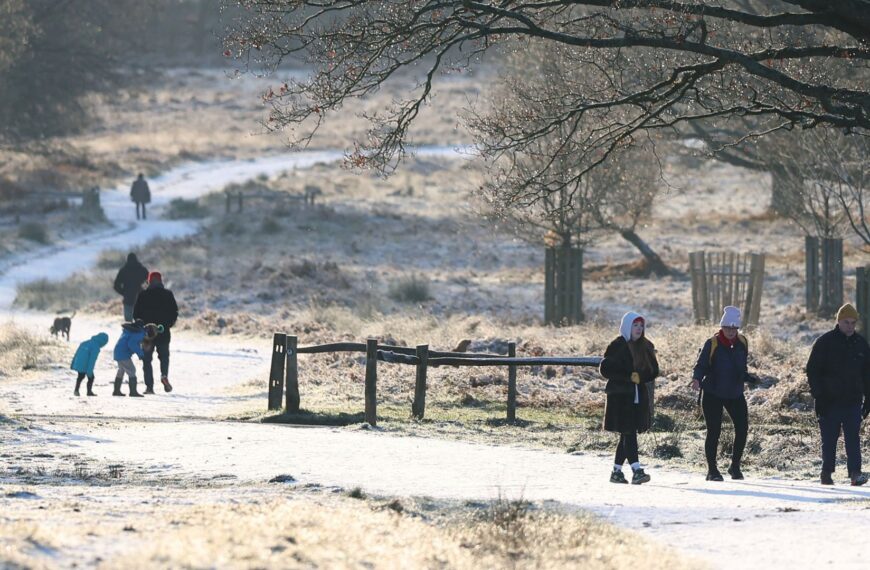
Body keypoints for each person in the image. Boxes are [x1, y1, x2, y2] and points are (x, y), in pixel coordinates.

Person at [806, 303, 870, 486]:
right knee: (829, 439)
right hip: (829, 400)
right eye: (846, 322)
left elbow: (867, 373)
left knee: (853, 438)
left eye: (853, 323)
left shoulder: (861, 344)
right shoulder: (825, 342)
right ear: (839, 322)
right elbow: (812, 370)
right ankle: (826, 473)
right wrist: (819, 396)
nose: (850, 326)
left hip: (853, 400)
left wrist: (868, 398)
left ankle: (855, 474)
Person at [692, 306, 754, 481]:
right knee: (714, 431)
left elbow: (741, 367)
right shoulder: (712, 343)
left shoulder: (742, 342)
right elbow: (701, 365)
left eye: (734, 328)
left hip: (735, 392)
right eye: (727, 328)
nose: (731, 331)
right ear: (722, 327)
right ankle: (712, 470)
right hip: (713, 392)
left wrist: (747, 377)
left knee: (742, 428)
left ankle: (735, 466)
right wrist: (696, 379)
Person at [599, 311, 659, 485]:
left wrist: (641, 377)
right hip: (620, 398)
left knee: (626, 434)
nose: (639, 329)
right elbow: (605, 369)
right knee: (629, 433)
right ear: (627, 326)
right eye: (635, 325)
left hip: (638, 397)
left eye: (641, 325)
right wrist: (627, 377)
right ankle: (636, 470)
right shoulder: (617, 345)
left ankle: (616, 472)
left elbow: (654, 370)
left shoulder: (646, 346)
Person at [133, 271, 178, 394]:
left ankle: (149, 387)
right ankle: (164, 375)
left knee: (147, 360)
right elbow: (174, 312)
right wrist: (168, 325)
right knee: (164, 357)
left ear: (149, 281)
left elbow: (135, 315)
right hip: (163, 331)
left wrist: (141, 326)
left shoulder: (143, 295)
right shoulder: (168, 294)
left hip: (147, 333)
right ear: (161, 281)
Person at [112, 319, 148, 397]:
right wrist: (140, 354)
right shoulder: (138, 333)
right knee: (132, 370)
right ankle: (133, 392)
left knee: (121, 370)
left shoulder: (128, 331)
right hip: (123, 354)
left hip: (118, 352)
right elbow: (132, 344)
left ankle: (116, 391)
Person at [70, 332, 109, 396]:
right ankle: (89, 392)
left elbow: (76, 354)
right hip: (85, 364)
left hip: (78, 363)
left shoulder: (84, 343)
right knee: (91, 377)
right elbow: (92, 361)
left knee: (80, 377)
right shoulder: (96, 347)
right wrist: (89, 371)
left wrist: (72, 363)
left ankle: (76, 391)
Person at [113, 252, 149, 322]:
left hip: (128, 299)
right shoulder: (142, 270)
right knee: (140, 322)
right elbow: (149, 282)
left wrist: (123, 292)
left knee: (128, 323)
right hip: (140, 298)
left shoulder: (123, 270)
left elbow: (116, 285)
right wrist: (145, 291)